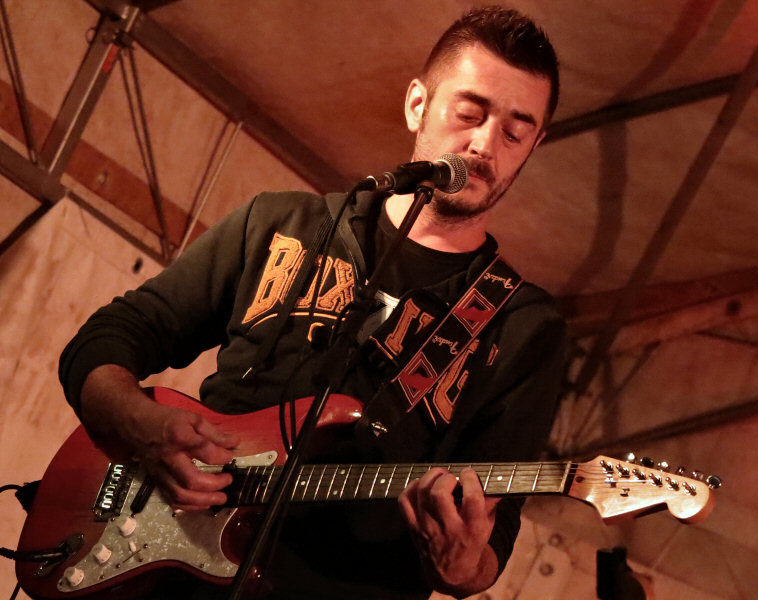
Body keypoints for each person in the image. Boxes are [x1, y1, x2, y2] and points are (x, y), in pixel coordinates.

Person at [58, 6, 565, 599]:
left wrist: (462, 566)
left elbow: (492, 540)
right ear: (417, 104)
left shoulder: (523, 328)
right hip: (158, 575)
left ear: (535, 144)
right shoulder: (280, 223)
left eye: (514, 132)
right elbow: (111, 337)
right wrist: (139, 422)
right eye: (470, 113)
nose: (484, 145)